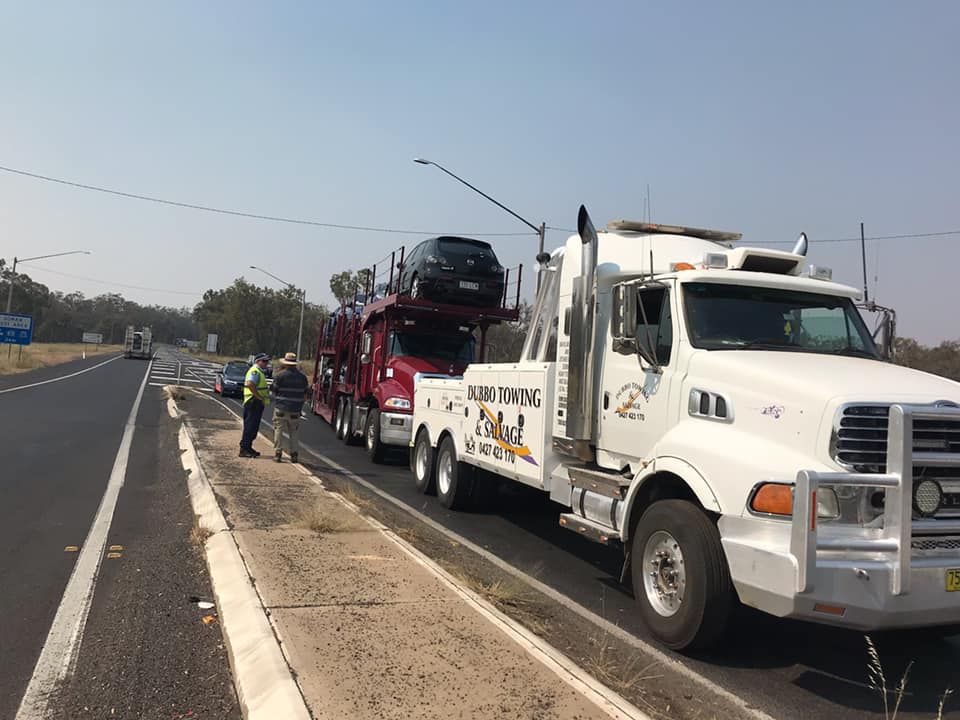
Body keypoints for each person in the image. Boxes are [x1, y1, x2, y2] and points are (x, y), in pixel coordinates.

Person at [270, 352, 310, 463]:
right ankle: (294, 454)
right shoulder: (302, 378)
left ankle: (278, 453)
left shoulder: (280, 376)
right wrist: (300, 404)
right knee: (294, 432)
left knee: (278, 429)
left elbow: (274, 390)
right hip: (295, 409)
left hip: (281, 407)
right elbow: (306, 394)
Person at [240, 353, 271, 458]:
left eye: (267, 361)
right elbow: (250, 384)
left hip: (255, 402)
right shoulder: (255, 371)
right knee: (250, 426)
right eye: (264, 361)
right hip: (253, 402)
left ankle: (248, 447)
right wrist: (258, 396)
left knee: (253, 427)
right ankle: (244, 448)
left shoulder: (259, 372)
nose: (266, 363)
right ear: (258, 361)